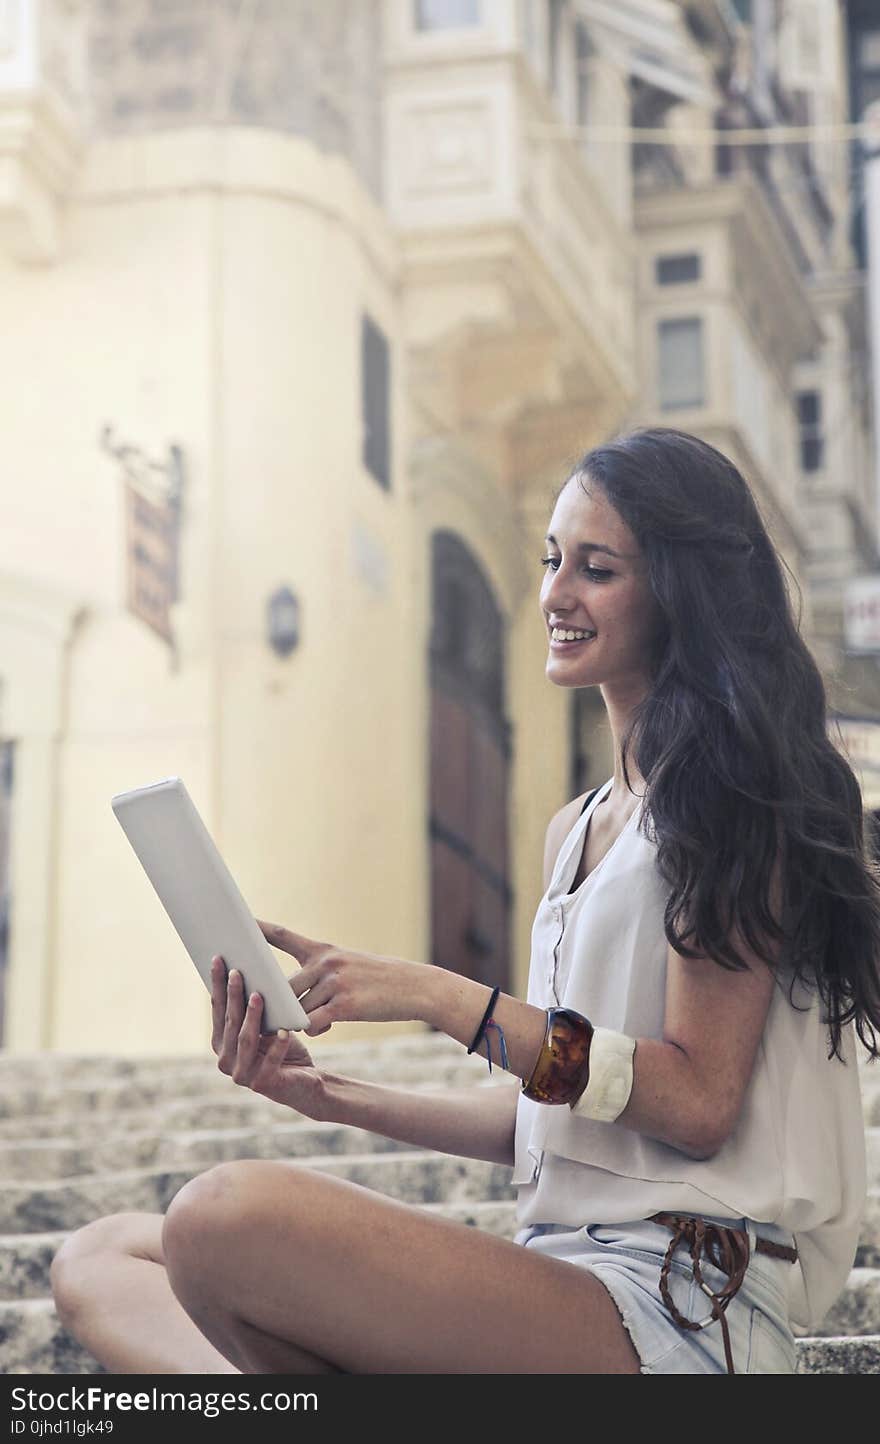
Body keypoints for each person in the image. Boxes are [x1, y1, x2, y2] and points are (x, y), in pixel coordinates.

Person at [51, 426, 878, 1375]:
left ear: (680, 592)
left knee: (219, 1217)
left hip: (681, 1306)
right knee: (104, 1255)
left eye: (597, 569)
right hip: (560, 1282)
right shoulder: (577, 829)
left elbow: (693, 1102)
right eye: (552, 559)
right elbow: (557, 1115)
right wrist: (329, 1098)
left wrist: (446, 1000)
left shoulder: (729, 796)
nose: (556, 594)